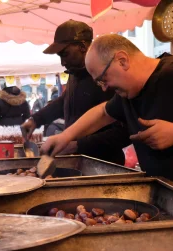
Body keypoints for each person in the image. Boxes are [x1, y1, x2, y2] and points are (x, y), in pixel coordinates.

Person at [41, 34, 173, 214]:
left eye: (103, 79)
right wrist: (65, 136)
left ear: (122, 60)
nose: (104, 88)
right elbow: (102, 113)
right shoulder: (129, 93)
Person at [21, 20, 130, 165]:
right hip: (78, 160)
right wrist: (36, 119)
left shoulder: (107, 77)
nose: (62, 62)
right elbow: (63, 102)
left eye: (65, 54)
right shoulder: (75, 74)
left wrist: (78, 144)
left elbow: (123, 131)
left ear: (82, 47)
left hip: (104, 163)